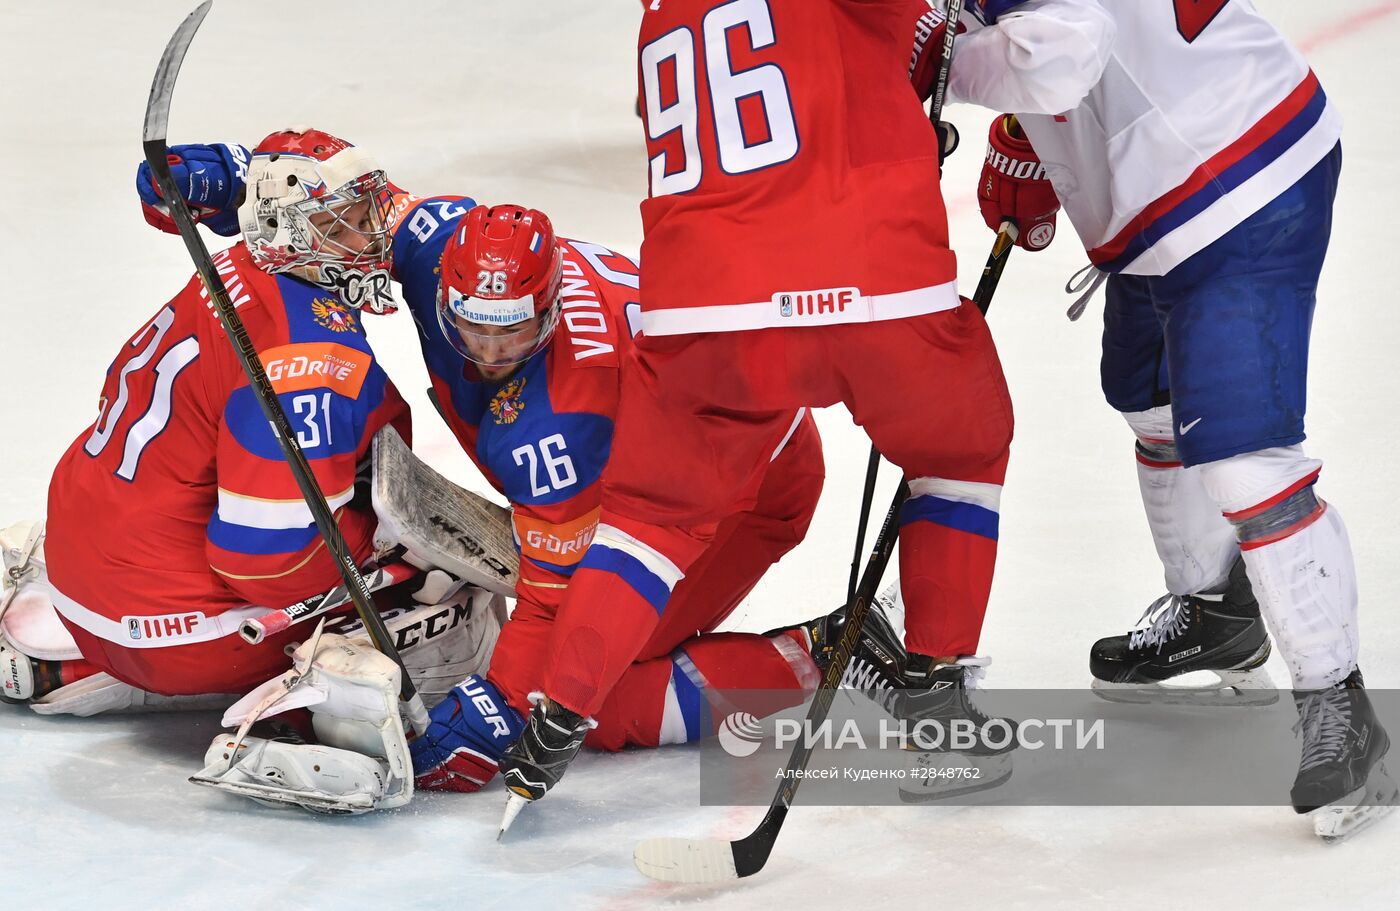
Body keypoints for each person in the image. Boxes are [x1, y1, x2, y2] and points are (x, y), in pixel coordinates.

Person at [123, 143, 918, 801]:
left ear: (550, 303)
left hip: (732, 493)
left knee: (586, 698)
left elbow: (558, 598)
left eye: (515, 333)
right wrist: (236, 183)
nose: (489, 353)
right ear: (447, 282)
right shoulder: (442, 239)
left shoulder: (557, 430)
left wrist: (502, 705)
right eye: (471, 325)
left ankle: (834, 649)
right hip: (660, 457)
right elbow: (349, 202)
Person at [496, 0, 1016, 810]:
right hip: (871, 281)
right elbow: (940, 43)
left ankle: (559, 713)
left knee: (650, 518)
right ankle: (937, 701)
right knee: (959, 453)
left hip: (702, 307)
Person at [950, 0, 1391, 838]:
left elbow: (1067, 48)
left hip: (1238, 173)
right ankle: (1217, 611)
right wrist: (1029, 127)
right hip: (1165, 184)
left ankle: (1342, 705)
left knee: (1240, 455)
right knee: (1148, 400)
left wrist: (952, 66)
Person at [0, 128, 494, 718]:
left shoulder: (244, 263)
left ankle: (68, 658)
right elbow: (267, 561)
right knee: (448, 592)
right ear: (291, 233)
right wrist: (393, 547)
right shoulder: (310, 363)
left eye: (367, 212)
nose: (372, 236)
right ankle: (333, 709)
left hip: (82, 568)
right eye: (342, 224)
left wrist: (237, 171)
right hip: (164, 628)